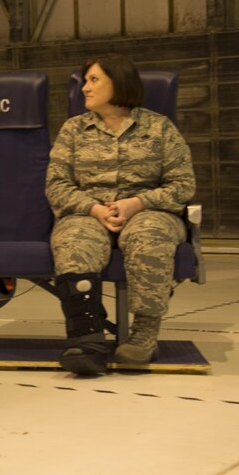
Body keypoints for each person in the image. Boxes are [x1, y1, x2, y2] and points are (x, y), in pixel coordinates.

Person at [45, 53, 195, 375]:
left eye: (93, 79)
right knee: (73, 239)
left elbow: (183, 185)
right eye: (85, 80)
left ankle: (144, 335)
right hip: (89, 212)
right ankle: (87, 338)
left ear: (119, 82)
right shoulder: (74, 130)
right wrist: (94, 208)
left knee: (147, 234)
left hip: (149, 211)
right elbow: (56, 185)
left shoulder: (159, 128)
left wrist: (137, 203)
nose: (85, 87)